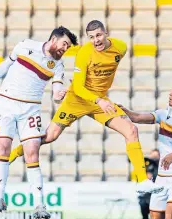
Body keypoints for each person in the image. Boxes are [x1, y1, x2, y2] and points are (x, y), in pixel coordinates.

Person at [9, 20, 163, 195]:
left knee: (131, 130)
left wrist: (100, 99)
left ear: (106, 33)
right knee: (50, 136)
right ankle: (12, 155)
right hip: (78, 99)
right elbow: (81, 87)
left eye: (98, 35)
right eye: (91, 37)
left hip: (100, 101)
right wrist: (97, 100)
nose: (96, 40)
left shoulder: (121, 48)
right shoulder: (84, 54)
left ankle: (142, 181)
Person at [0, 26, 78, 218]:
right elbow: (6, 64)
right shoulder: (25, 46)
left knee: (33, 153)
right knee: (2, 147)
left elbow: (56, 92)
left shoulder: (58, 65)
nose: (64, 49)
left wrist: (59, 95)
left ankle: (39, 206)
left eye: (67, 47)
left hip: (31, 108)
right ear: (53, 39)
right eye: (64, 44)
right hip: (7, 103)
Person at [119, 80, 172, 219]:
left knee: (170, 215)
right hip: (161, 176)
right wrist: (124, 111)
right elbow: (137, 117)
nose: (170, 93)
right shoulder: (164, 114)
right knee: (154, 216)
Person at [138, 149, 160, 219]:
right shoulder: (146, 165)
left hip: (156, 195)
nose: (153, 158)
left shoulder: (161, 167)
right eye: (152, 155)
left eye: (155, 156)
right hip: (145, 195)